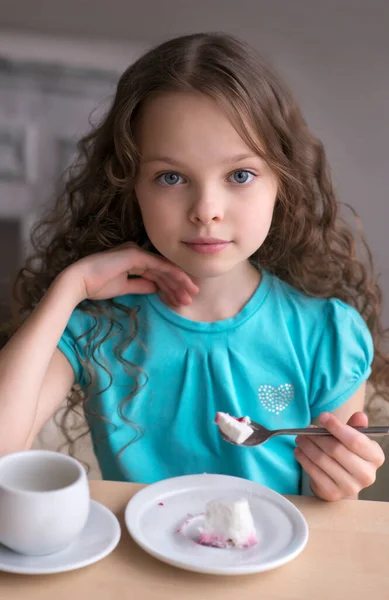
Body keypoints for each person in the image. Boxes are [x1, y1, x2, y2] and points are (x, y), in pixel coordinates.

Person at [0, 33, 386, 501]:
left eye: (239, 175)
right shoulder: (94, 325)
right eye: (171, 177)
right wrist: (70, 287)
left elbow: (325, 516)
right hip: (132, 569)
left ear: (281, 183)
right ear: (130, 186)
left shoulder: (326, 335)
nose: (206, 209)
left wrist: (340, 483)